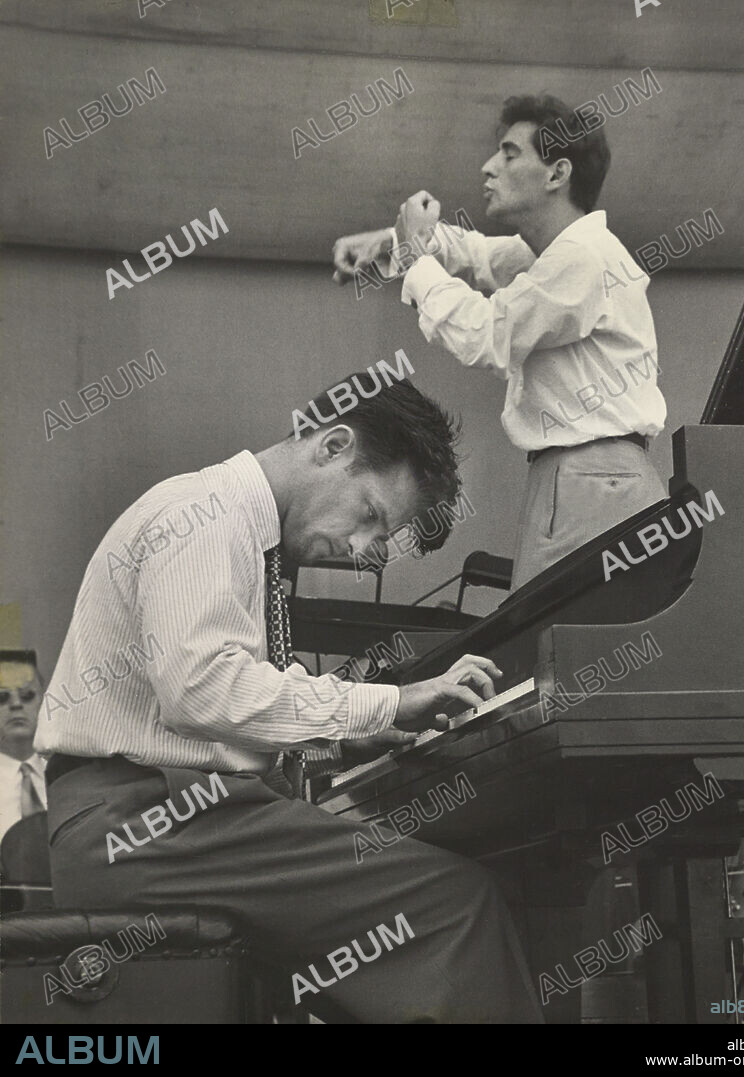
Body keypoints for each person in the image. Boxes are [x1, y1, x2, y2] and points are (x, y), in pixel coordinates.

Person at [34, 373, 543, 1024]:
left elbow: (223, 697)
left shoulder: (243, 532)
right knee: (454, 905)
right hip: (147, 830)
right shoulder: (209, 513)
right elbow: (201, 687)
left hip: (168, 826)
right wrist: (384, 703)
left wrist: (351, 731)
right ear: (332, 445)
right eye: (369, 517)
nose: (363, 552)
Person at [333, 93, 668, 589]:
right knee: (561, 647)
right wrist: (392, 239)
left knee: (559, 647)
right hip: (592, 480)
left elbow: (487, 336)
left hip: (591, 482)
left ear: (557, 173)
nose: (489, 167)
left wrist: (412, 257)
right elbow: (476, 252)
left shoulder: (581, 259)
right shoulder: (564, 252)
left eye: (510, 154)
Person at [0, 650, 47, 845]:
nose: (16, 704)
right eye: (2, 697)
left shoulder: (69, 776)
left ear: (43, 702)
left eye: (27, 695)